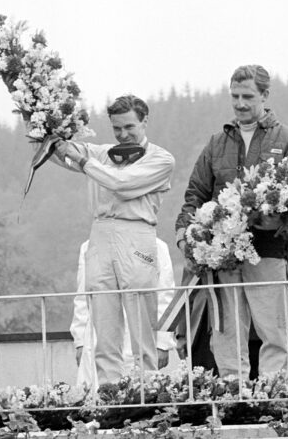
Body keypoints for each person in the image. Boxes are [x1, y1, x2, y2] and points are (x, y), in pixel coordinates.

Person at [175, 64, 288, 378]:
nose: (240, 103)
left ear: (265, 95)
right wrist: (184, 235)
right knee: (226, 329)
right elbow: (195, 193)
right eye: (235, 96)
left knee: (272, 328)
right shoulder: (216, 142)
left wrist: (276, 218)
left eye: (247, 96)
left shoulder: (287, 139)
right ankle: (233, 392)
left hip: (269, 251)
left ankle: (273, 394)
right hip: (224, 255)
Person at [52, 95, 175, 384]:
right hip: (100, 234)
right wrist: (37, 115)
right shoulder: (102, 153)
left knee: (142, 329)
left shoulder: (161, 159)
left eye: (129, 127)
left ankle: (145, 397)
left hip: (137, 233)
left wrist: (85, 161)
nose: (122, 134)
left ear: (145, 121)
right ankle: (110, 400)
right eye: (116, 128)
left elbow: (121, 184)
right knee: (104, 331)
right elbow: (57, 152)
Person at [70, 238, 175, 391]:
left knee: (141, 396)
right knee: (98, 397)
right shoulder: (90, 246)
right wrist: (80, 341)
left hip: (143, 335)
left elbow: (165, 296)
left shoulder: (156, 246)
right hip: (98, 336)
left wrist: (163, 343)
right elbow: (82, 295)